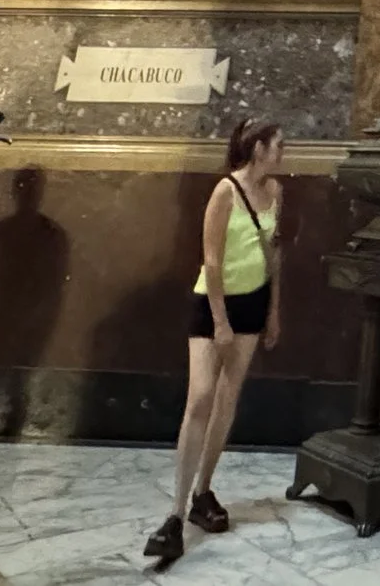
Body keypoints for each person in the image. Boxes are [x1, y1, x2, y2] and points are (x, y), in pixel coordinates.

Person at [145, 117, 285, 567]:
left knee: (228, 399)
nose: (284, 151)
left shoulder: (276, 192)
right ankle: (174, 512)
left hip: (253, 303)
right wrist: (221, 321)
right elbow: (212, 258)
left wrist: (273, 311)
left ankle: (204, 491)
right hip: (213, 305)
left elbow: (273, 254)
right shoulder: (226, 190)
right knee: (201, 397)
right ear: (258, 147)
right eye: (279, 144)